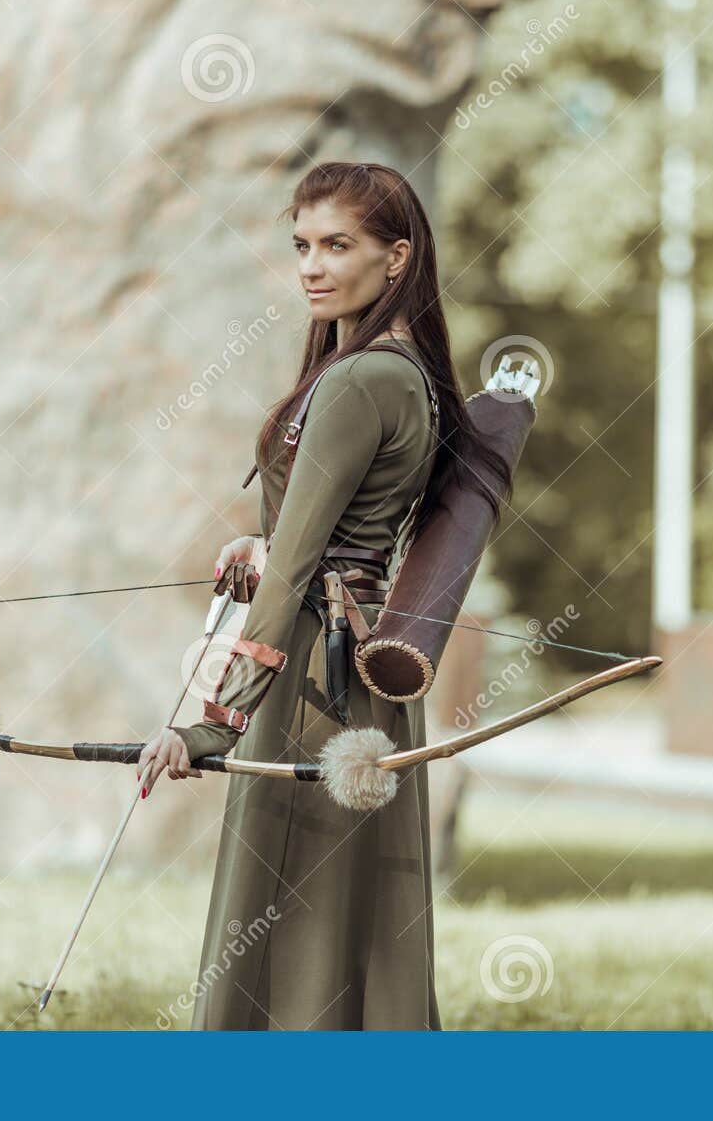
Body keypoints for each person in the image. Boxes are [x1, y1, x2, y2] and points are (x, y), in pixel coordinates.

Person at [135, 161, 513, 1030]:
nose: (311, 266)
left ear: (396, 257)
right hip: (360, 669)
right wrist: (266, 542)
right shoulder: (401, 373)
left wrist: (215, 719)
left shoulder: (358, 380)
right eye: (302, 245)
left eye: (337, 245)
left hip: (313, 677)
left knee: (292, 918)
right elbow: (339, 535)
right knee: (346, 920)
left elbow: (299, 567)